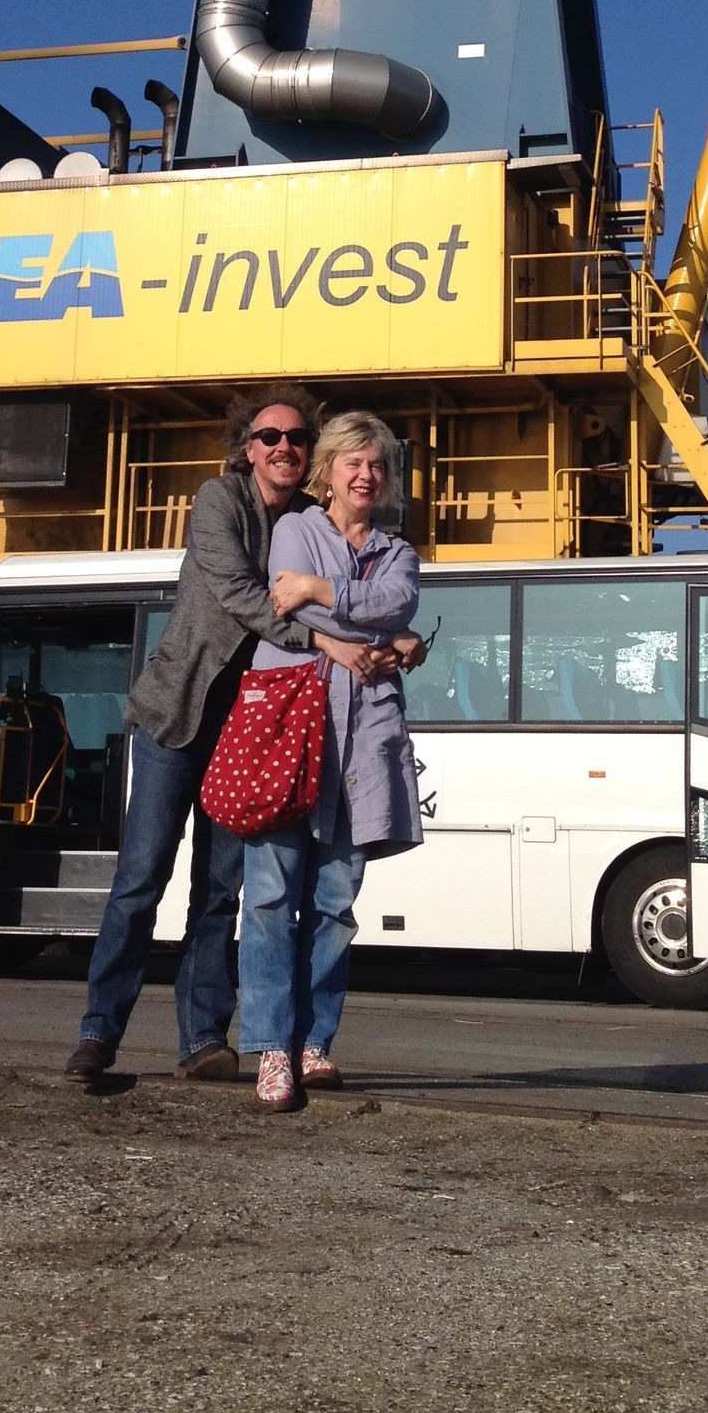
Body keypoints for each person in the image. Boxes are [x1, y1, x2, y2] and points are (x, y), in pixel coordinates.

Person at [64, 386, 410, 1082]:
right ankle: (98, 1033)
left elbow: (369, 601)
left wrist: (396, 638)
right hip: (179, 715)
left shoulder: (315, 522)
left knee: (222, 893)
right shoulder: (218, 502)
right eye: (270, 437)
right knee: (141, 879)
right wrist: (328, 641)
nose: (285, 446)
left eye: (298, 439)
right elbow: (245, 598)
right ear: (247, 448)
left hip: (252, 732)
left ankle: (201, 1042)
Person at [238, 410, 424, 1109]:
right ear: (329, 471)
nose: (365, 474)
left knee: (336, 906)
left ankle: (316, 1045)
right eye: (352, 461)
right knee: (269, 897)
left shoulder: (398, 551)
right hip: (291, 729)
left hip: (361, 747)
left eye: (376, 464)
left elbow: (396, 598)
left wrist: (321, 592)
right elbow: (287, 604)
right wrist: (372, 632)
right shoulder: (295, 529)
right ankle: (271, 1051)